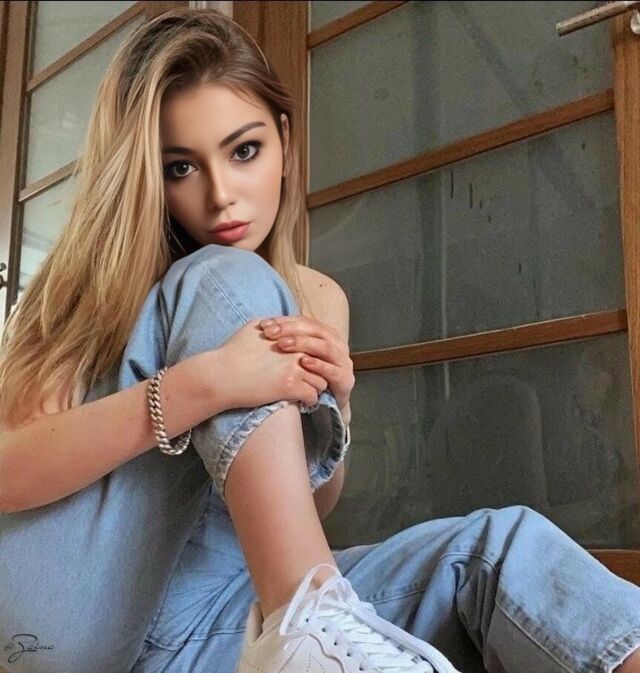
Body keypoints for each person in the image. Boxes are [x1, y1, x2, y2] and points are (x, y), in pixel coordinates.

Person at [0, 7, 639, 673]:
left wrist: (334, 405)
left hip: (229, 624)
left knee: (500, 552)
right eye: (181, 167)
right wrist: (204, 385)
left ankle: (311, 630)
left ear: (282, 140)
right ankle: (310, 624)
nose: (221, 195)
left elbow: (310, 507)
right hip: (87, 629)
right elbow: (7, 472)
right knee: (225, 276)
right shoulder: (87, 290)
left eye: (244, 151)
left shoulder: (318, 298)